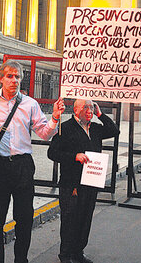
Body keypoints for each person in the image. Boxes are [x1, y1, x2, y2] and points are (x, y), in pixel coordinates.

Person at [0, 59, 65, 263]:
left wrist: (55, 118)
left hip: (23, 166)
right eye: (9, 76)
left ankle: (20, 259)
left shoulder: (29, 104)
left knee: (24, 219)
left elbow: (43, 133)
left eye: (17, 77)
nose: (14, 80)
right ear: (1, 79)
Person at [47, 99, 119, 263]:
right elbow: (52, 153)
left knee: (85, 219)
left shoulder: (95, 128)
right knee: (70, 220)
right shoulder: (65, 128)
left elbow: (114, 131)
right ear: (76, 109)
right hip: (71, 184)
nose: (90, 110)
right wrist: (74, 157)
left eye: (92, 107)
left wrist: (101, 114)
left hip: (91, 182)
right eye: (86, 107)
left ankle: (78, 252)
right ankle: (65, 255)